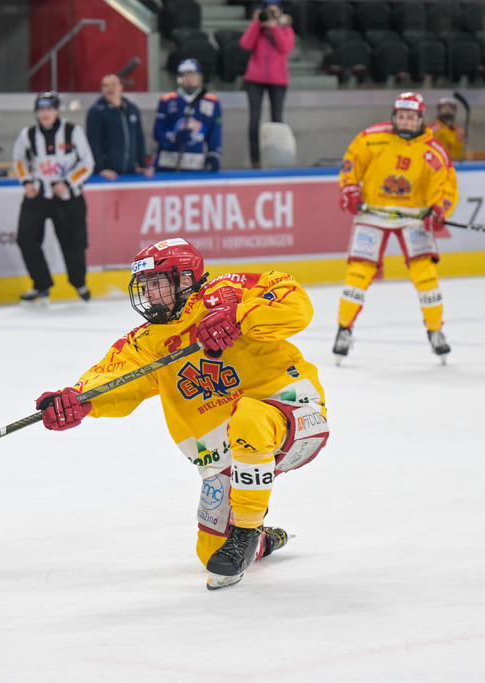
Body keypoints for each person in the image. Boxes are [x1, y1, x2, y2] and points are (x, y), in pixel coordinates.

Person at [33, 237, 329, 590]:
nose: (149, 295)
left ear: (185, 279)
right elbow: (115, 378)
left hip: (293, 411)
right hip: (229, 451)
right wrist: (79, 400)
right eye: (145, 287)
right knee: (210, 554)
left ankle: (245, 532)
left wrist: (238, 316)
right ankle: (261, 539)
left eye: (157, 284)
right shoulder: (147, 342)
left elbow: (293, 300)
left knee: (249, 420)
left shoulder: (227, 291)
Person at [335, 91, 458, 364]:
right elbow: (350, 165)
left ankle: (435, 332)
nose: (405, 121)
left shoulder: (433, 149)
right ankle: (343, 329)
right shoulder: (372, 137)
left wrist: (438, 209)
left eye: (410, 117)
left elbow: (446, 186)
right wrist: (351, 191)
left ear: (420, 119)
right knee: (358, 273)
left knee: (425, 275)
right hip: (373, 213)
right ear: (394, 116)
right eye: (401, 116)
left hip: (413, 215)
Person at [12, 91, 94, 303]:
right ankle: (41, 284)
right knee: (26, 239)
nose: (45, 113)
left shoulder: (73, 131)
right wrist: (27, 182)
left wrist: (67, 182)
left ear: (57, 110)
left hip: (68, 197)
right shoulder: (28, 134)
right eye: (41, 110)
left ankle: (79, 283)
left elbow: (87, 163)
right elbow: (19, 159)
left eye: (49, 109)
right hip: (38, 195)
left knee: (73, 244)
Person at [239, 0, 294, 169]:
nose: (271, 14)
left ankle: (276, 159)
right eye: (268, 11)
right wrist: (257, 23)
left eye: (275, 11)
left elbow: (285, 47)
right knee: (254, 121)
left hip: (278, 80)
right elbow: (245, 44)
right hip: (255, 78)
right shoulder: (258, 29)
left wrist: (274, 27)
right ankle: (255, 161)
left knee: (277, 120)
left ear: (280, 13)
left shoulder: (286, 29)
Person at [153, 59, 222, 172]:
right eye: (185, 76)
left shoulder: (212, 101)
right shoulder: (167, 100)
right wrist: (174, 137)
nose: (189, 79)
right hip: (167, 164)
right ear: (179, 79)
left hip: (196, 164)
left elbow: (215, 132)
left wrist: (214, 155)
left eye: (193, 75)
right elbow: (158, 132)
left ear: (200, 77)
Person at [85, 73, 151, 179]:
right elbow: (93, 142)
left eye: (113, 84)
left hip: (131, 172)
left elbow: (139, 138)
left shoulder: (132, 109)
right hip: (107, 174)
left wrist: (142, 165)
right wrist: (100, 169)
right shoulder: (96, 112)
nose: (109, 88)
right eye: (105, 85)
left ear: (121, 87)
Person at [428, 96, 465, 161]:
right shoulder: (431, 129)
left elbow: (465, 153)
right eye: (445, 108)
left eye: (451, 108)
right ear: (439, 110)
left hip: (457, 166)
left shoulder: (460, 132)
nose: (448, 110)